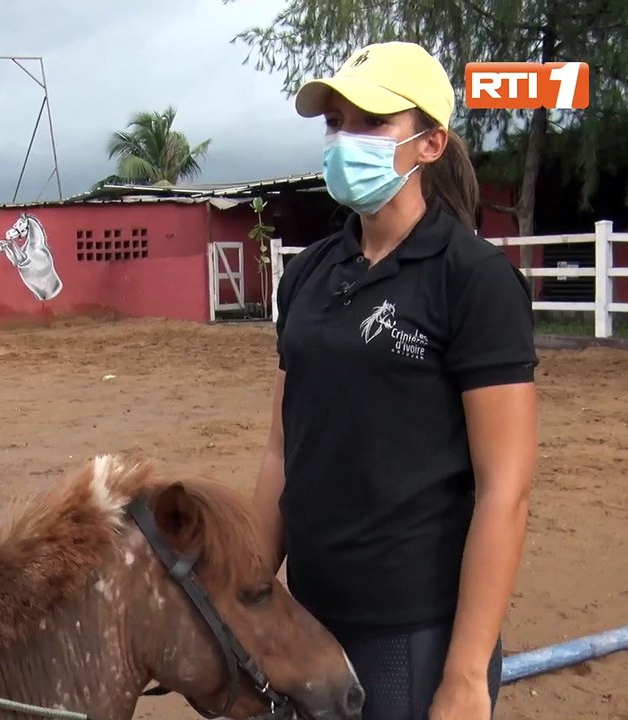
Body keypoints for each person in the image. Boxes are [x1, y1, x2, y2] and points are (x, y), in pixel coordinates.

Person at [253, 41, 539, 720]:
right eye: (336, 123)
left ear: (430, 143)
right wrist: (250, 595)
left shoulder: (472, 280)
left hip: (413, 633)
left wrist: (466, 676)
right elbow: (279, 448)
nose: (345, 140)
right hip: (311, 618)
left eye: (371, 123)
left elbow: (506, 487)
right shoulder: (307, 276)